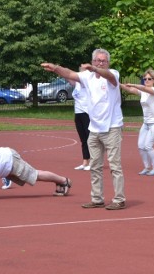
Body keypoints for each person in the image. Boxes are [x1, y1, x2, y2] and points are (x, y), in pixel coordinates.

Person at [41, 49, 126, 210]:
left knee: (115, 166)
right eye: (97, 61)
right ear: (92, 61)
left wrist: (94, 69)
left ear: (108, 63)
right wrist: (55, 68)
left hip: (112, 127)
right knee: (95, 166)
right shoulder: (87, 77)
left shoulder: (112, 74)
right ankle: (97, 198)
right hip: (94, 128)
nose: (100, 63)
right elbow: (71, 74)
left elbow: (109, 76)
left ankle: (119, 199)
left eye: (103, 61)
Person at [121, 69, 154, 176]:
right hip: (146, 123)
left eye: (149, 79)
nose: (147, 80)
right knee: (141, 146)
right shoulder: (143, 92)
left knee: (148, 146)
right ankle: (147, 167)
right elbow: (130, 90)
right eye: (145, 79)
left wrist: (133, 84)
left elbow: (143, 88)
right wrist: (116, 83)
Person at [71, 73, 91, 171]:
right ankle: (85, 162)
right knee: (83, 139)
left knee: (89, 138)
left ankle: (93, 162)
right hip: (78, 113)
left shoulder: (86, 83)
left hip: (86, 113)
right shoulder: (77, 85)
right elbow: (68, 77)